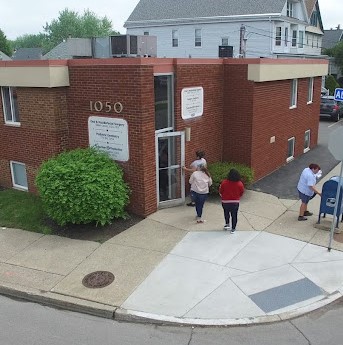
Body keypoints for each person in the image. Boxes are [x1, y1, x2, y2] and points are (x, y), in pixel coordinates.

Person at [219, 169, 244, 234]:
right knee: (234, 215)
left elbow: (221, 191)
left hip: (225, 202)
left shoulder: (224, 182)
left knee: (226, 213)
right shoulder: (240, 184)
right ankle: (233, 228)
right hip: (235, 202)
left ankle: (227, 224)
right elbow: (241, 192)